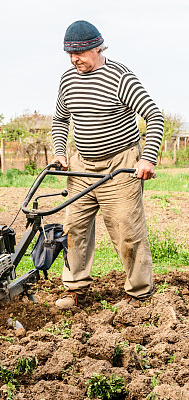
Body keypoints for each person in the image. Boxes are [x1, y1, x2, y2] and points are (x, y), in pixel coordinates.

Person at [52, 20, 164, 309]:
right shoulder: (68, 79)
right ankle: (75, 288)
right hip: (82, 164)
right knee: (73, 228)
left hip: (121, 164)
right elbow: (60, 119)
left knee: (127, 230)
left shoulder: (120, 77)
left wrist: (147, 158)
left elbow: (154, 116)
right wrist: (61, 152)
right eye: (70, 55)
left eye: (80, 53)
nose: (75, 60)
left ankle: (138, 294)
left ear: (97, 47)